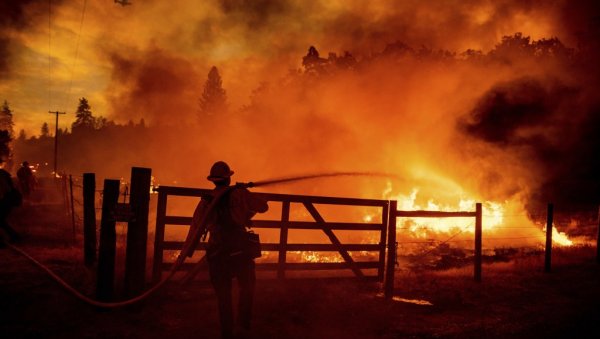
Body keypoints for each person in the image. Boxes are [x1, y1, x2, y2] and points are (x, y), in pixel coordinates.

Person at [189, 161, 268, 338]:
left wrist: (188, 251)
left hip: (217, 251)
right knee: (247, 286)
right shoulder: (239, 194)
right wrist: (246, 210)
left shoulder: (205, 201)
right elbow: (263, 207)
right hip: (240, 249)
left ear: (213, 181)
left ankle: (227, 331)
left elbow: (196, 227)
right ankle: (243, 325)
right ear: (229, 178)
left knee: (223, 294)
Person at [0, 163, 22, 245]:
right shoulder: (3, 173)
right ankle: (14, 236)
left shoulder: (1, 174)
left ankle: (14, 237)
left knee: (0, 220)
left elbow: (6, 189)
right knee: (1, 221)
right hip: (6, 200)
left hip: (6, 200)